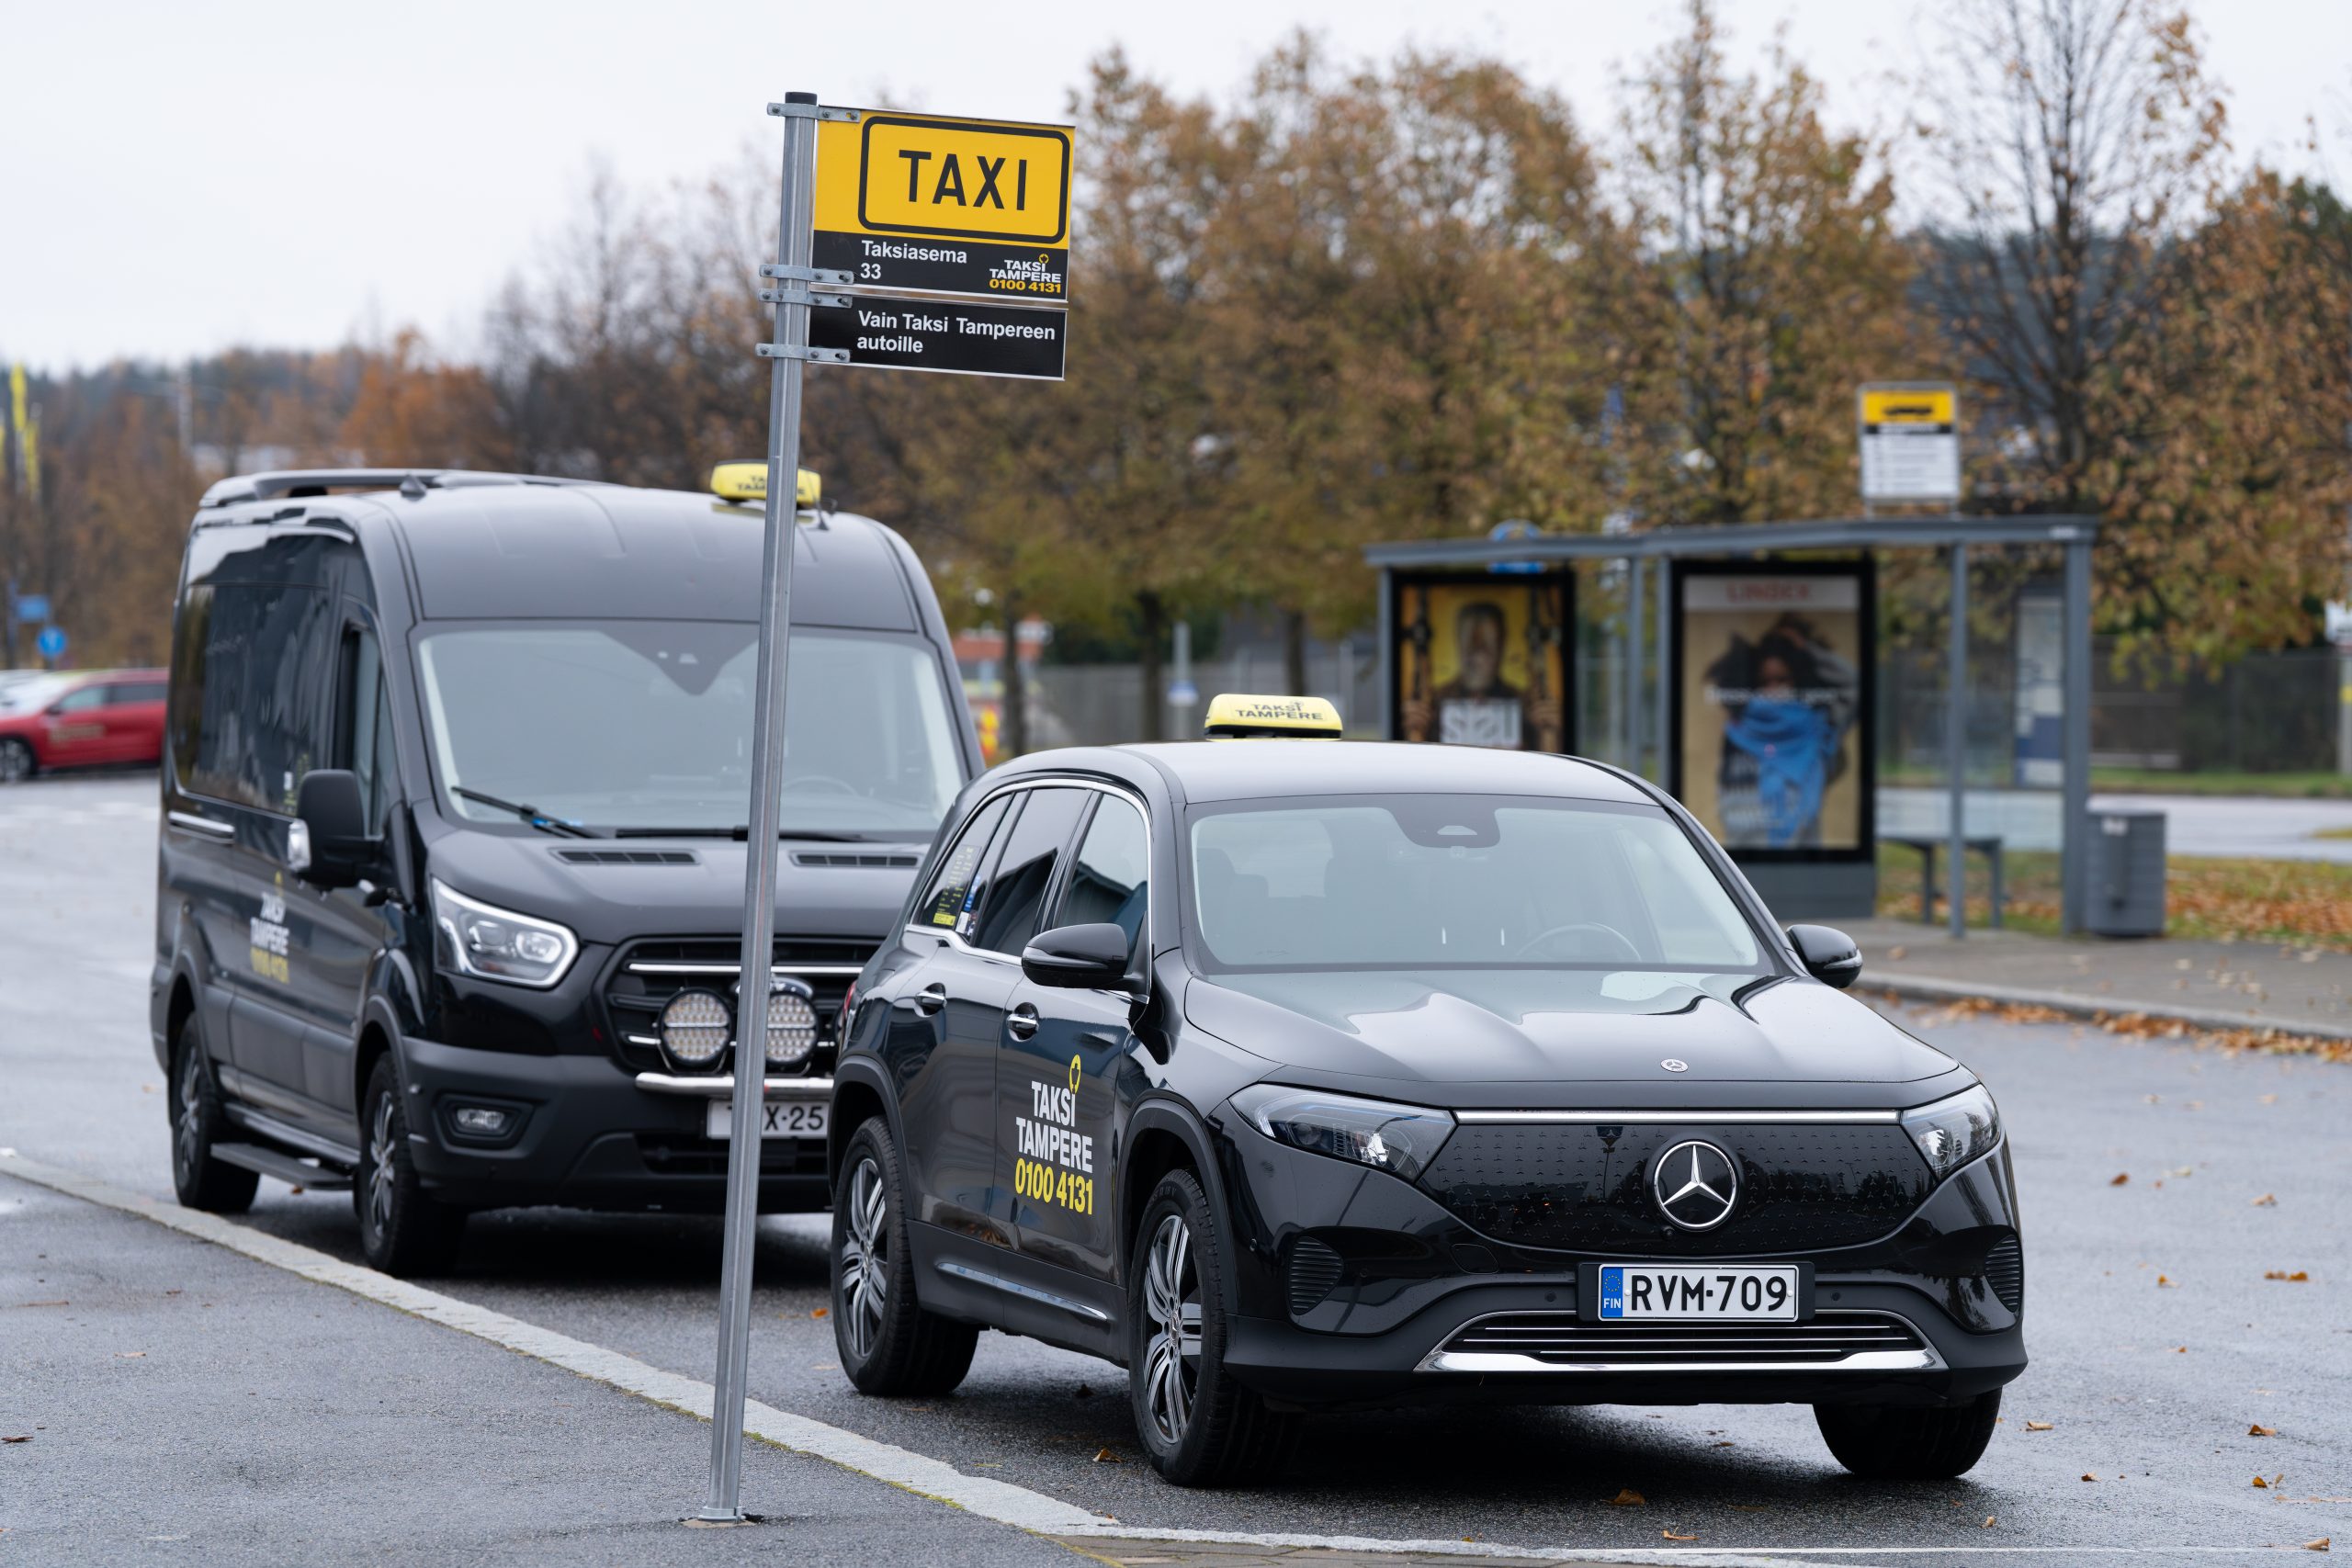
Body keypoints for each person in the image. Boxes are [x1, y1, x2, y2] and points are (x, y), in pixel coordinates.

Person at [1702, 614, 1857, 849]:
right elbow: (1727, 802)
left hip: (1806, 862)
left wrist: (1807, 648)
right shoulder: (1738, 730)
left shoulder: (1819, 726)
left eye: (1782, 679)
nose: (1773, 689)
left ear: (1797, 680)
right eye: (1765, 681)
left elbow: (1854, 683)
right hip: (1747, 861)